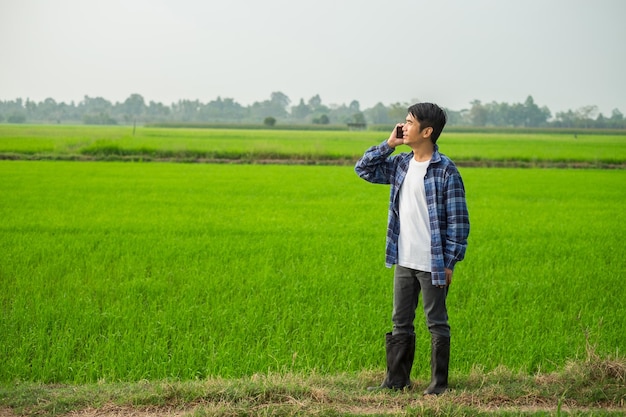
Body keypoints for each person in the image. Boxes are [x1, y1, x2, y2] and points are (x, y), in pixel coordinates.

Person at [354, 102, 469, 395]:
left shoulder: (446, 171)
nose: (403, 126)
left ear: (427, 131)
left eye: (409, 122)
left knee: (436, 322)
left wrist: (450, 263)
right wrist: (389, 144)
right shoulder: (401, 164)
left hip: (433, 262)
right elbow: (363, 169)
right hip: (403, 258)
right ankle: (396, 381)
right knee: (400, 320)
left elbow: (459, 222)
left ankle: (438, 385)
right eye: (403, 121)